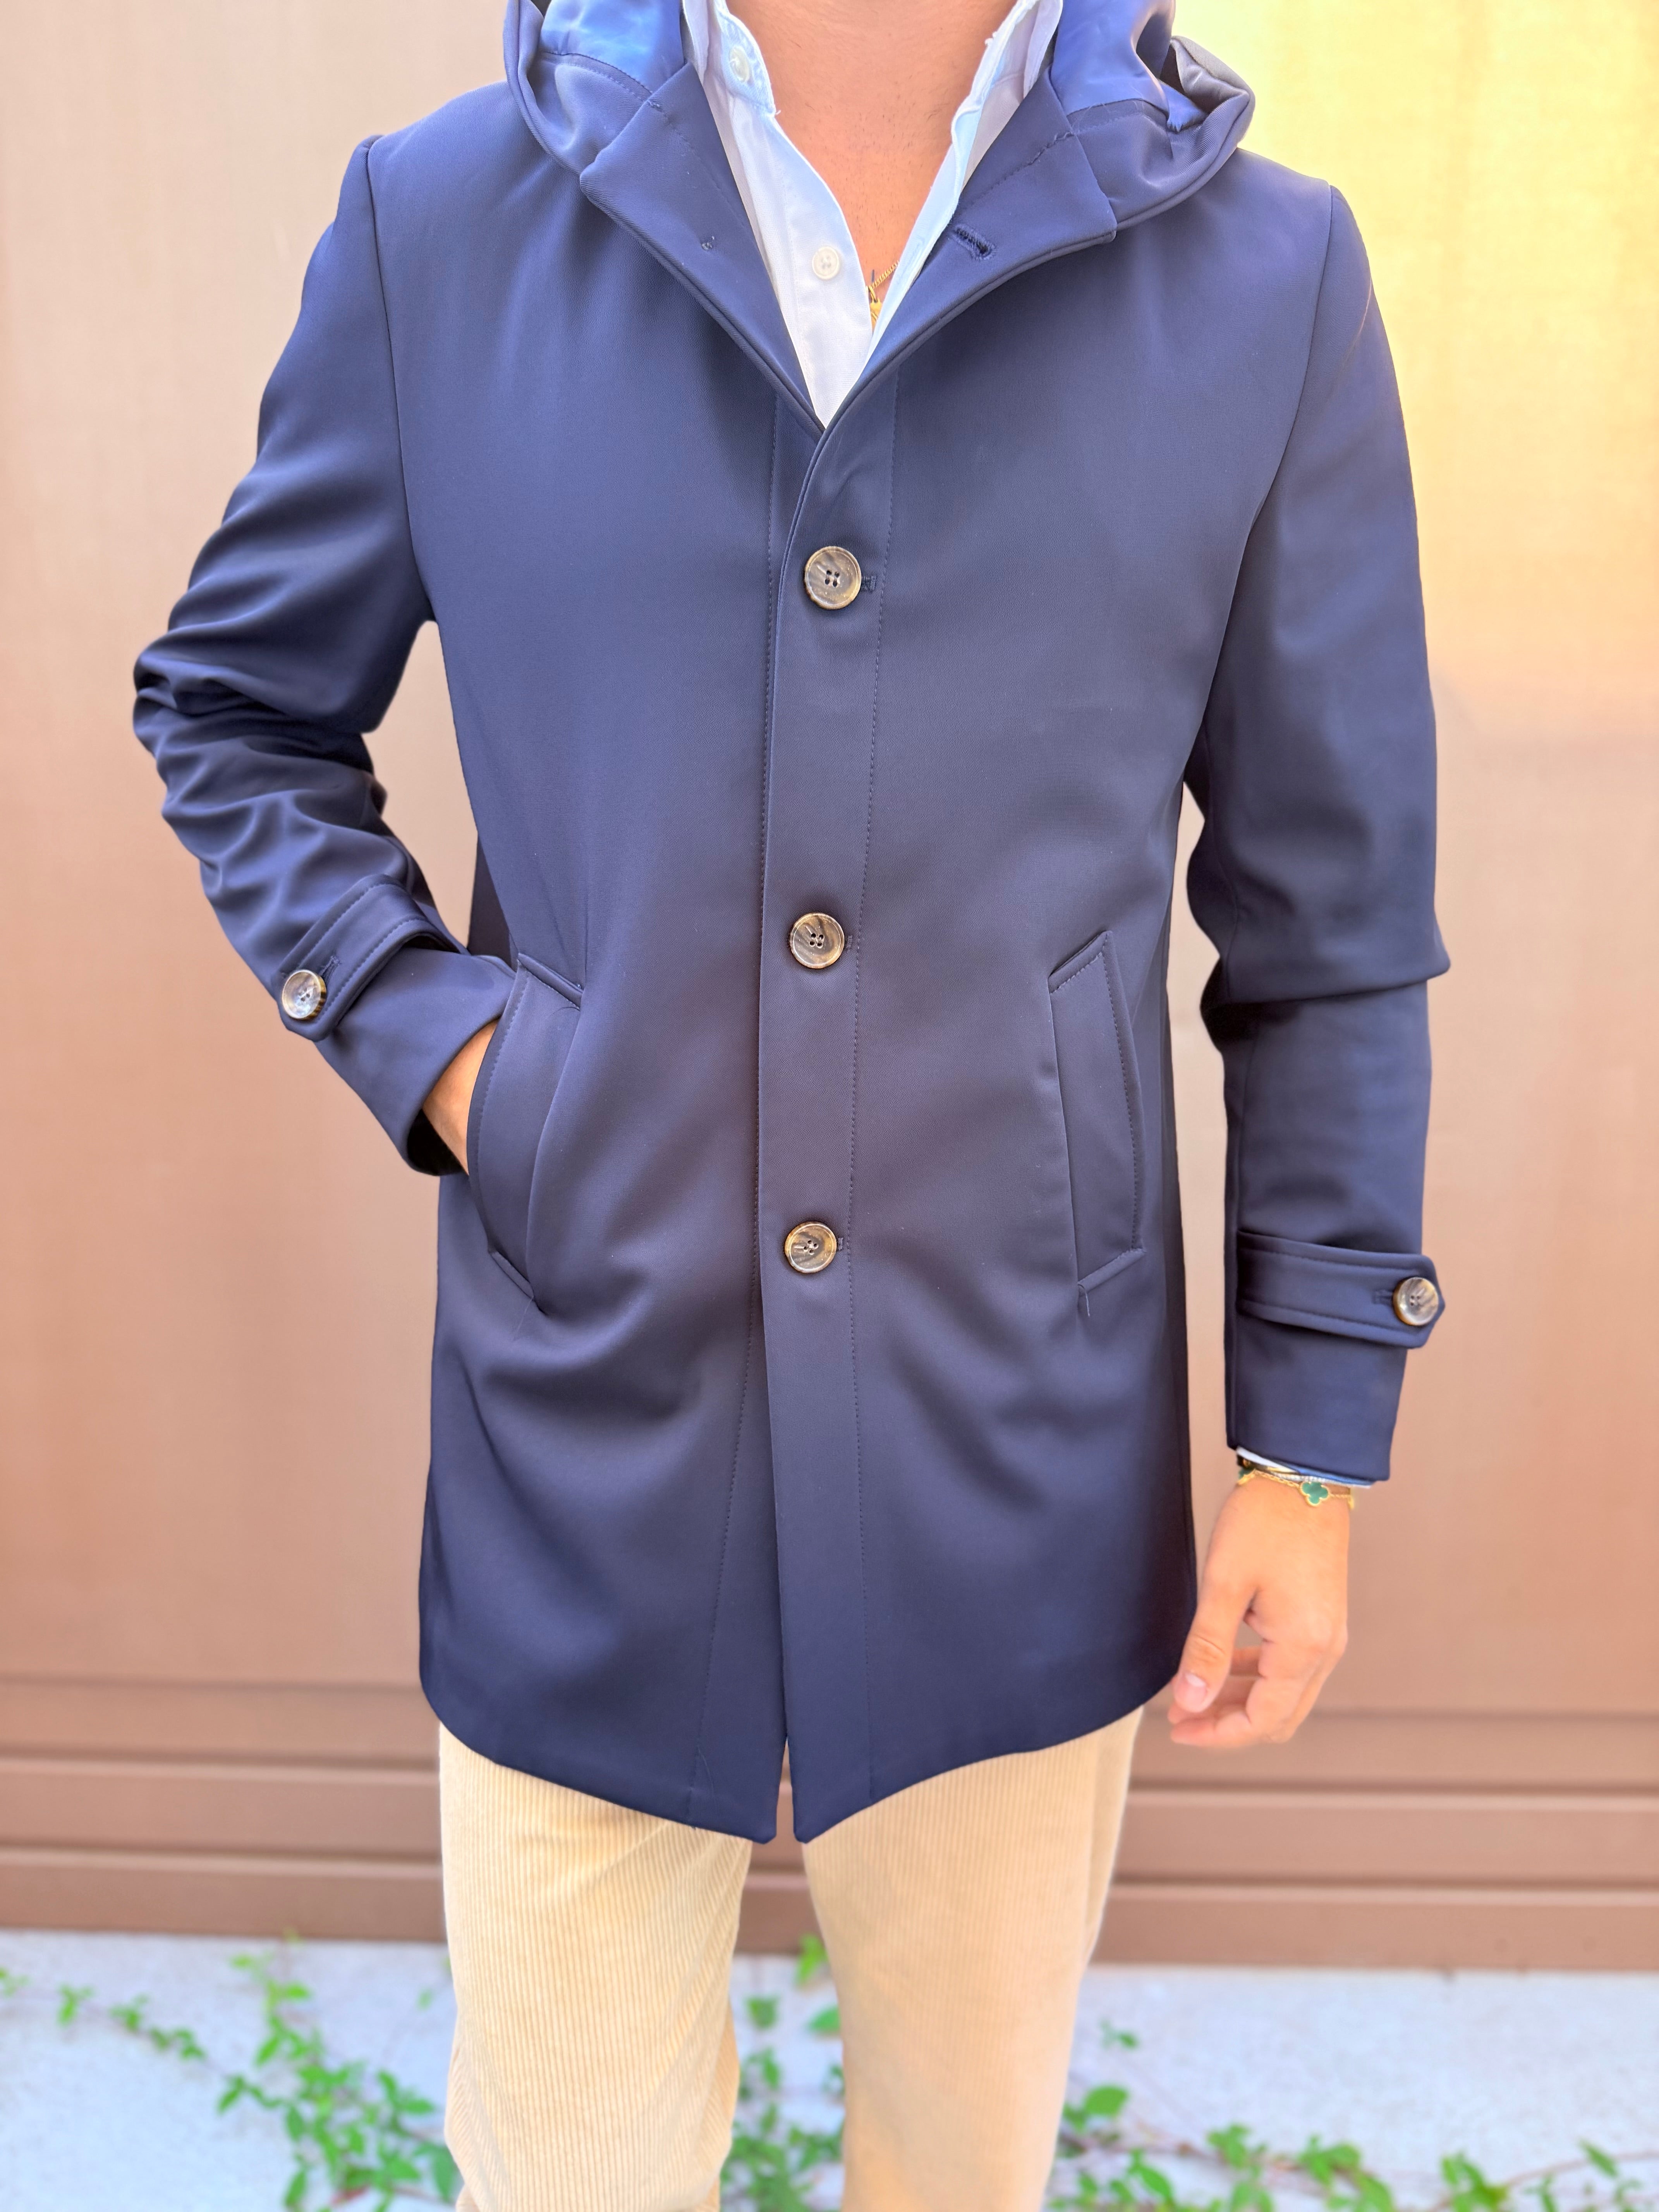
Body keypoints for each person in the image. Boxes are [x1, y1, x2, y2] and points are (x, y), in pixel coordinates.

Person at [134, 0, 1448, 2202]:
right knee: (567, 2165)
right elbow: (239, 706)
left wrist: (1307, 1440)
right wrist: (451, 1055)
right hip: (584, 1422)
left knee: (963, 2161)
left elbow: (1333, 917)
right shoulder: (446, 218)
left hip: (1016, 1433)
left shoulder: (1262, 272)